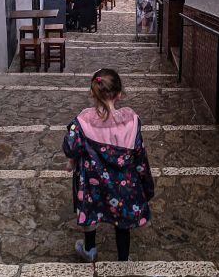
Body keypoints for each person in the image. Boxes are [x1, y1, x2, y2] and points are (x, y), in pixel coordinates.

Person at [63, 68, 154, 262]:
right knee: (122, 222)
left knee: (90, 212)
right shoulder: (131, 122)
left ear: (92, 93)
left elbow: (71, 148)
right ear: (119, 94)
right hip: (123, 185)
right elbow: (140, 156)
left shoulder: (82, 121)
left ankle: (90, 250)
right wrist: (147, 185)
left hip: (92, 183)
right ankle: (123, 258)